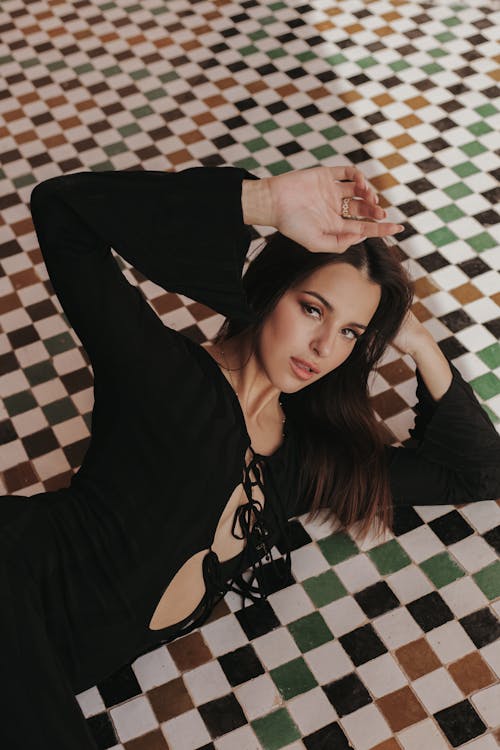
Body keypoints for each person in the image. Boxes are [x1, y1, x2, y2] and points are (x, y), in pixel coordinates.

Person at [1, 164, 499, 750]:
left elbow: (479, 470)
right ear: (269, 291)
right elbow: (62, 209)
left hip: (47, 670)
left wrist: (415, 338)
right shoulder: (163, 374)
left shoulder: (299, 464)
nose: (324, 346)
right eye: (313, 309)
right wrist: (260, 200)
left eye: (351, 333)